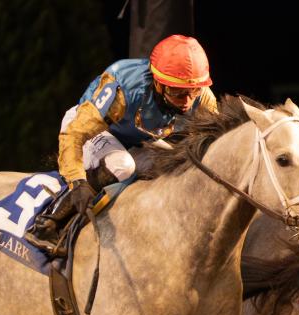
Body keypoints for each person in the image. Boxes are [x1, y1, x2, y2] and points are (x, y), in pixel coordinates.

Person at [25, 34, 218, 255]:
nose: (186, 102)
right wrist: (78, 183)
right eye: (177, 92)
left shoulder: (203, 98)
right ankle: (49, 223)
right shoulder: (124, 88)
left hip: (135, 141)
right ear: (157, 82)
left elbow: (214, 143)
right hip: (90, 132)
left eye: (192, 92)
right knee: (122, 164)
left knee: (173, 167)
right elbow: (74, 134)